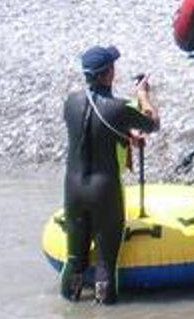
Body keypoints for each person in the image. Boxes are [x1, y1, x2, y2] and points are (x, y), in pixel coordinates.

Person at [60, 45, 159, 305]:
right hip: (104, 191)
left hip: (73, 188)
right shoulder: (118, 108)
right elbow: (153, 123)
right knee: (105, 264)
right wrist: (143, 96)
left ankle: (69, 312)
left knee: (75, 260)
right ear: (109, 73)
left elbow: (91, 131)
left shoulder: (71, 102)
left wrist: (126, 135)